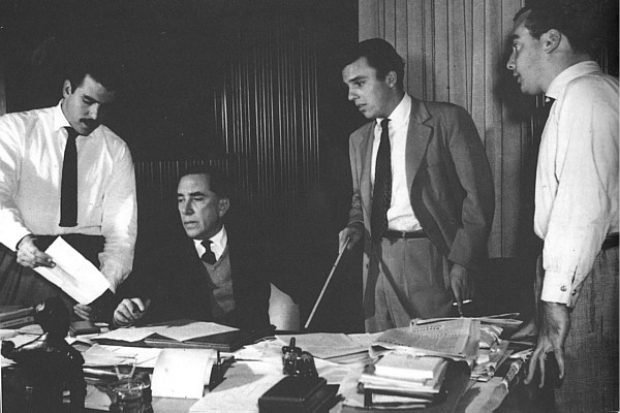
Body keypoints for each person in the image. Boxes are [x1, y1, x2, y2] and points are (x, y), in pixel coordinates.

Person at [338, 38, 495, 333]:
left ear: (390, 78)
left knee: (434, 351)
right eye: (348, 86)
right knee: (380, 351)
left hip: (431, 257)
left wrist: (463, 261)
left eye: (359, 83)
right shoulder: (358, 139)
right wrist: (355, 226)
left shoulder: (447, 120)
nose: (351, 95)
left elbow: (478, 197)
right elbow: (361, 199)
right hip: (376, 263)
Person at [506, 3, 618, 411]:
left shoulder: (583, 97)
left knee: (583, 400)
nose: (510, 62)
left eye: (518, 46)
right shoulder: (600, 90)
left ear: (551, 40)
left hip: (591, 276)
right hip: (588, 272)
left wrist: (554, 312)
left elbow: (580, 215)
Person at [0, 55, 137, 321]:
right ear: (66, 89)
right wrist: (20, 240)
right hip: (21, 257)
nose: (94, 114)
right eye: (87, 101)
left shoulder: (116, 149)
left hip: (84, 269)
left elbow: (121, 232)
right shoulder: (14, 129)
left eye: (104, 107)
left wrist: (103, 290)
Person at [112, 166, 274, 331]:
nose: (186, 210)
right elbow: (135, 301)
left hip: (249, 342)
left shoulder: (254, 245)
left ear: (222, 206)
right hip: (189, 345)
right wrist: (123, 316)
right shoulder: (163, 253)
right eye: (181, 200)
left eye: (197, 199)